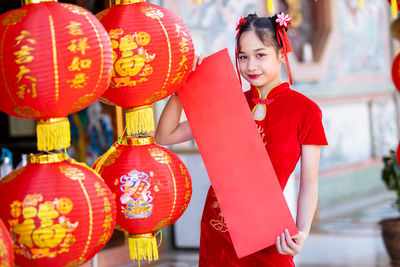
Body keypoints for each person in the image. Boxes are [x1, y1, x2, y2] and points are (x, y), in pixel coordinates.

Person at [155, 12, 328, 267]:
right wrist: (184, 85)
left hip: (268, 234)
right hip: (217, 229)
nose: (251, 66)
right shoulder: (230, 102)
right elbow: (165, 135)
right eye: (243, 57)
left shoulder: (306, 111)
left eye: (260, 55)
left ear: (282, 54)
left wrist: (302, 232)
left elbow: (309, 181)